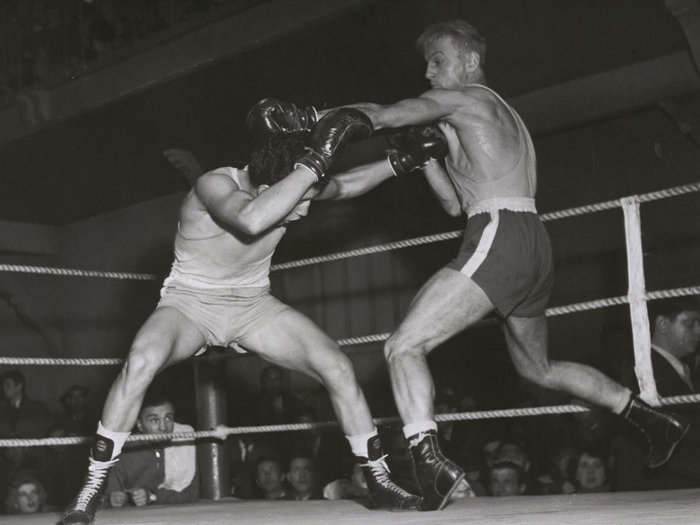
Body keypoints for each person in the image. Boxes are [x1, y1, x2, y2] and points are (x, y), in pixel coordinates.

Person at [248, 19, 691, 510]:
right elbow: (454, 206)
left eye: (438, 61)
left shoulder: (470, 99)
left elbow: (382, 114)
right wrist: (426, 158)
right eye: (427, 64)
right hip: (530, 242)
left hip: (500, 234)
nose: (430, 72)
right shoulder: (493, 120)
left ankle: (429, 463)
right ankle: (652, 419)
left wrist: (308, 117)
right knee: (537, 368)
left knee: (403, 345)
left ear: (470, 61)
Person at [62, 108, 429, 525]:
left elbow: (344, 187)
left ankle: (378, 478)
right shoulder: (214, 184)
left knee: (337, 364)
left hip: (253, 304)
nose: (305, 212)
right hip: (189, 304)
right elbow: (251, 220)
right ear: (269, 188)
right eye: (300, 200)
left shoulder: (291, 185)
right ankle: (91, 486)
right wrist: (312, 164)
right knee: (140, 362)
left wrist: (402, 162)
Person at [616, 296, 700, 491]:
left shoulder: (684, 370)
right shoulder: (643, 372)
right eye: (690, 324)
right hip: (660, 492)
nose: (698, 331)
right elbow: (665, 440)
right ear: (662, 324)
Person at [105, 391, 199, 508]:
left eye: (168, 418)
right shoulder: (124, 451)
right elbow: (102, 496)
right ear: (139, 424)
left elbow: (194, 494)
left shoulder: (185, 444)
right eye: (154, 420)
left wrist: (154, 496)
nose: (163, 427)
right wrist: (112, 499)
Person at [0, 369, 52, 439]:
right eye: (3, 385)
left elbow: (45, 432)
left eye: (8, 385)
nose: (4, 388)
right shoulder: (1, 409)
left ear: (19, 386)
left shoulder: (38, 408)